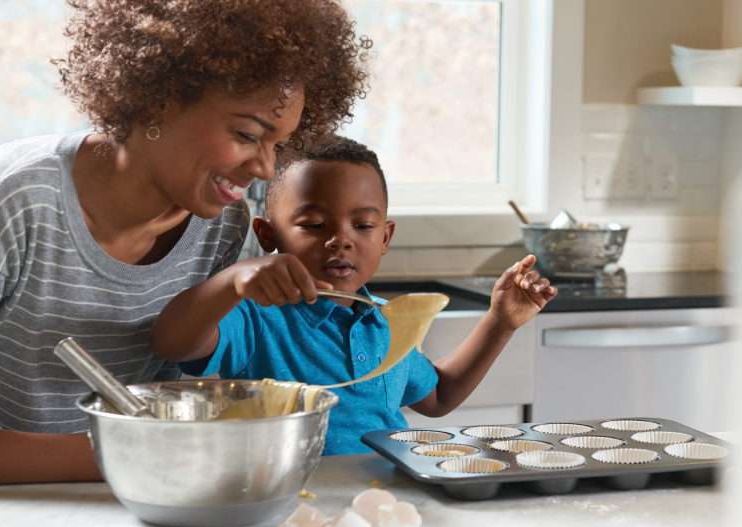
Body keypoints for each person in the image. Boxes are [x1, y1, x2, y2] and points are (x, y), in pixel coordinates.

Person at [0, 0, 370, 484]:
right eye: (248, 134)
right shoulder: (12, 199)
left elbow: (179, 382)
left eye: (279, 146)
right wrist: (136, 456)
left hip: (138, 501)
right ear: (156, 99)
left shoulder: (222, 227)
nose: (266, 169)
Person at [150, 136, 558, 454]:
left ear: (386, 237)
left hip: (389, 495)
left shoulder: (387, 321)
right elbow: (172, 342)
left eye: (362, 226)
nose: (339, 241)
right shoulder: (255, 316)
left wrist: (500, 322)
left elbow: (438, 397)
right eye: (313, 224)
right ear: (268, 236)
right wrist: (234, 279)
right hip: (294, 499)